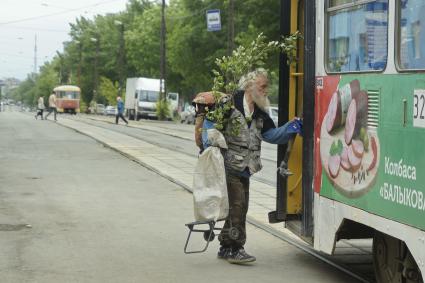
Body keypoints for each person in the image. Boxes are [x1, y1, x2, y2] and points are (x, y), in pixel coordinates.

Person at [202, 68, 302, 264]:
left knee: (240, 207)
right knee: (238, 205)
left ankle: (225, 246)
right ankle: (236, 248)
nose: (266, 90)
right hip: (228, 165)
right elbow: (209, 125)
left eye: (266, 86)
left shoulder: (260, 112)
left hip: (246, 169)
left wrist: (291, 127)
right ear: (249, 86)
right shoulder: (228, 104)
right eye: (262, 86)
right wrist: (210, 144)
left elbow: (272, 136)